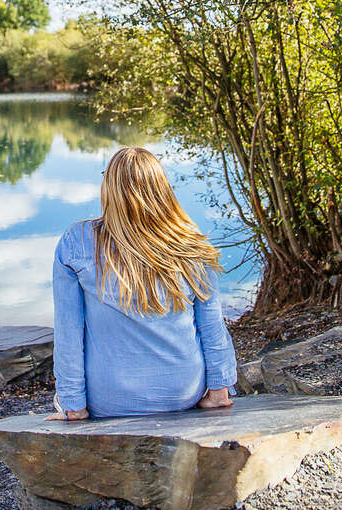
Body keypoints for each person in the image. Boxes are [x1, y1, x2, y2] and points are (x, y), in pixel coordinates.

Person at [46, 146, 238, 421]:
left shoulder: (77, 240)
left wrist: (73, 405)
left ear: (109, 188)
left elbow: (69, 332)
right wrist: (219, 391)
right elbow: (212, 325)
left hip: (111, 398)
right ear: (161, 189)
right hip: (183, 392)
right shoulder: (190, 243)